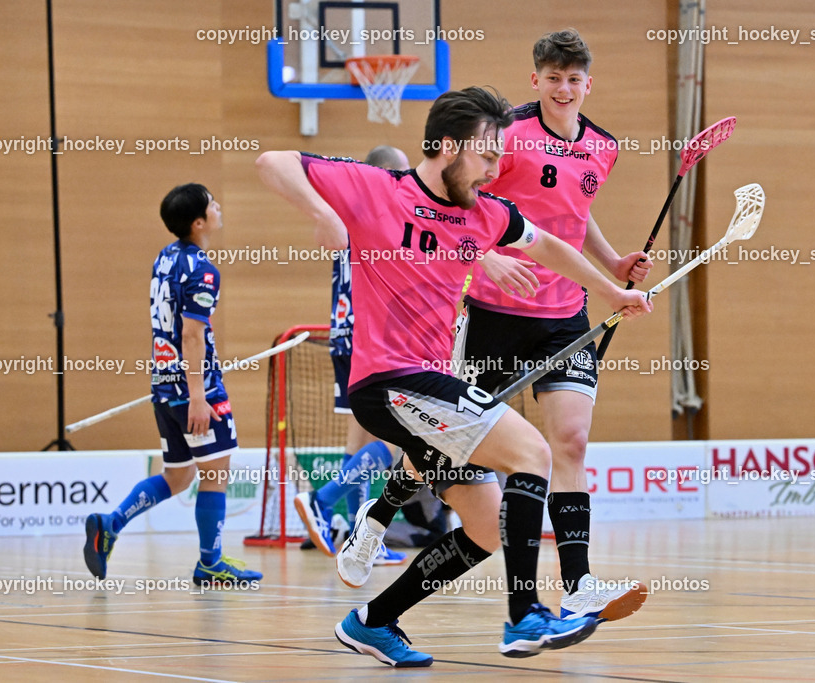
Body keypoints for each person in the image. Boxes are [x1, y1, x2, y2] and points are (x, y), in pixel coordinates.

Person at [256, 86, 652, 666]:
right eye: (487, 155)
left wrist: (612, 290)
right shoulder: (376, 188)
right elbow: (272, 161)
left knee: (488, 525)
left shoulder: (484, 214)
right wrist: (322, 214)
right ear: (446, 147)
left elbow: (548, 247)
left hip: (430, 385)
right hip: (389, 378)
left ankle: (374, 620)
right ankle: (524, 616)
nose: (495, 169)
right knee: (533, 452)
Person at [338, 28, 653, 624]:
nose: (564, 88)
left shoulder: (603, 147)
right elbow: (454, 203)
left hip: (563, 314)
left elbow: (573, 219)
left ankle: (578, 583)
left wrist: (610, 267)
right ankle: (378, 517)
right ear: (535, 79)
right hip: (492, 311)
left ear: (589, 83)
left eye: (574, 79)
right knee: (453, 444)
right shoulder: (503, 131)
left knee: (571, 442)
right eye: (553, 78)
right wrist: (484, 256)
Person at [83, 184, 262, 588]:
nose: (219, 206)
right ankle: (210, 564)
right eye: (212, 203)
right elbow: (191, 337)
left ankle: (110, 524)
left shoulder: (165, 258)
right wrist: (199, 396)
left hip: (163, 385)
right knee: (215, 475)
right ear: (199, 222)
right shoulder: (202, 269)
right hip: (194, 389)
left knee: (178, 476)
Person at [293, 146, 410, 568]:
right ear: (384, 175)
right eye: (402, 172)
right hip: (373, 337)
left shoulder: (349, 214)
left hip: (346, 335)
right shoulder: (385, 213)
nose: (409, 179)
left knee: (360, 439)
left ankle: (363, 538)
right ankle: (323, 501)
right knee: (399, 442)